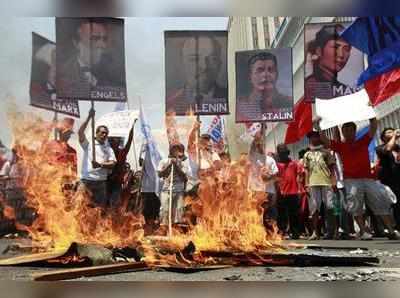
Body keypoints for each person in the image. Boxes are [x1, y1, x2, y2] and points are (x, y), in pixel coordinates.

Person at [317, 118, 400, 240]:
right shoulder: (340, 145)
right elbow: (324, 140)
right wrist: (318, 125)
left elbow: (373, 128)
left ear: (355, 131)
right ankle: (363, 231)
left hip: (368, 178)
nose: (348, 132)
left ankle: (391, 230)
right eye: (345, 130)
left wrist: (372, 116)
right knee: (355, 206)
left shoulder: (363, 141)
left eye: (350, 130)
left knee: (380, 201)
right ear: (343, 132)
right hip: (351, 180)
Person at [58, 19, 123, 99]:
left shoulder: (114, 72)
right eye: (95, 38)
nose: (102, 45)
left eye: (104, 39)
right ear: (76, 43)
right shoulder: (62, 72)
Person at [166, 34, 228, 115]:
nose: (204, 66)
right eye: (194, 59)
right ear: (182, 64)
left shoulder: (230, 99)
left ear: (219, 64)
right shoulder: (170, 103)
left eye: (212, 59)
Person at [305, 24, 358, 101]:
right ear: (319, 51)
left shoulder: (345, 90)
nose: (341, 55)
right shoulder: (311, 86)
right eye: (335, 47)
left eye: (346, 49)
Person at [237, 52, 292, 122]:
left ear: (277, 74)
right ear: (250, 77)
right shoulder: (240, 107)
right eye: (260, 70)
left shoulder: (288, 103)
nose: (266, 74)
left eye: (270, 70)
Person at [78, 109, 116, 208]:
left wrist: (100, 165)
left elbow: (113, 163)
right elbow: (80, 132)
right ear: (96, 133)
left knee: (98, 211)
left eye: (106, 133)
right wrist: (89, 117)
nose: (104, 135)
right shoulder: (89, 144)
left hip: (101, 183)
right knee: (80, 208)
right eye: (102, 133)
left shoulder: (109, 149)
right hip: (86, 181)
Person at [303, 131, 337, 240]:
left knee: (330, 207)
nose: (314, 139)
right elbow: (307, 171)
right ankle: (315, 232)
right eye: (311, 137)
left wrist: (333, 181)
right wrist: (306, 184)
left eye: (315, 136)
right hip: (313, 183)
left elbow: (332, 168)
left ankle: (332, 231)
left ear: (319, 138)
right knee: (314, 209)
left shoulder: (326, 152)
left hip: (326, 182)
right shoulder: (307, 154)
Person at [248, 130, 279, 231]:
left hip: (269, 191)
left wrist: (267, 178)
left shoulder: (270, 159)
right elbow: (251, 149)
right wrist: (256, 139)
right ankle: (258, 232)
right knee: (257, 213)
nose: (260, 146)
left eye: (262, 145)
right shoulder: (253, 158)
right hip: (256, 191)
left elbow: (276, 174)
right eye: (258, 145)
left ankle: (271, 233)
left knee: (269, 213)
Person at [157, 143, 189, 233]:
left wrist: (176, 166)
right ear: (170, 150)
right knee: (165, 210)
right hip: (166, 190)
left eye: (178, 149)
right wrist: (169, 165)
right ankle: (164, 230)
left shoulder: (183, 163)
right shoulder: (163, 161)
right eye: (174, 149)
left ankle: (176, 231)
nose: (176, 151)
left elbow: (184, 177)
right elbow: (160, 174)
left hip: (179, 190)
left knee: (179, 210)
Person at [376, 127, 400, 229]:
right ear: (383, 137)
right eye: (389, 132)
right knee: (394, 204)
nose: (392, 133)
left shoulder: (398, 148)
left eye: (393, 131)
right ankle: (393, 226)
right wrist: (395, 135)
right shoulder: (380, 148)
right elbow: (388, 149)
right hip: (389, 181)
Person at [275, 143, 301, 239]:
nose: (284, 155)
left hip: (293, 192)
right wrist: (279, 187)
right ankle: (282, 232)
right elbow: (276, 178)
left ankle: (295, 232)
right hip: (281, 192)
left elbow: (298, 176)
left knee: (294, 214)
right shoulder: (277, 165)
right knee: (282, 214)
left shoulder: (293, 163)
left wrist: (299, 188)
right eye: (282, 153)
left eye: (285, 153)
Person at [107, 124, 135, 209]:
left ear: (119, 142)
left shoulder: (122, 152)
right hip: (106, 181)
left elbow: (129, 141)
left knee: (114, 203)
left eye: (116, 140)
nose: (114, 141)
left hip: (117, 183)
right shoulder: (106, 152)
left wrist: (131, 127)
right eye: (112, 140)